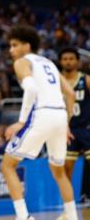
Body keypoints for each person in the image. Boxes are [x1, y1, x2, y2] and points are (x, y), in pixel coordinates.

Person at [0, 26, 77, 220]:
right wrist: (65, 123)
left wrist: (21, 122)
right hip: (59, 116)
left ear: (26, 46)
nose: (11, 50)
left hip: (41, 114)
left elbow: (32, 90)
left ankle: (24, 217)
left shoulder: (21, 62)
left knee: (7, 166)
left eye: (14, 45)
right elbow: (70, 93)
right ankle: (72, 216)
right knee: (58, 171)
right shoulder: (50, 63)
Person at [59, 48, 90, 203]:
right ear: (60, 61)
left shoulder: (86, 80)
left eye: (71, 58)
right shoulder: (56, 82)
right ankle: (68, 204)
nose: (68, 61)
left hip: (86, 129)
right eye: (65, 59)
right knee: (66, 169)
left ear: (77, 61)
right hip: (66, 131)